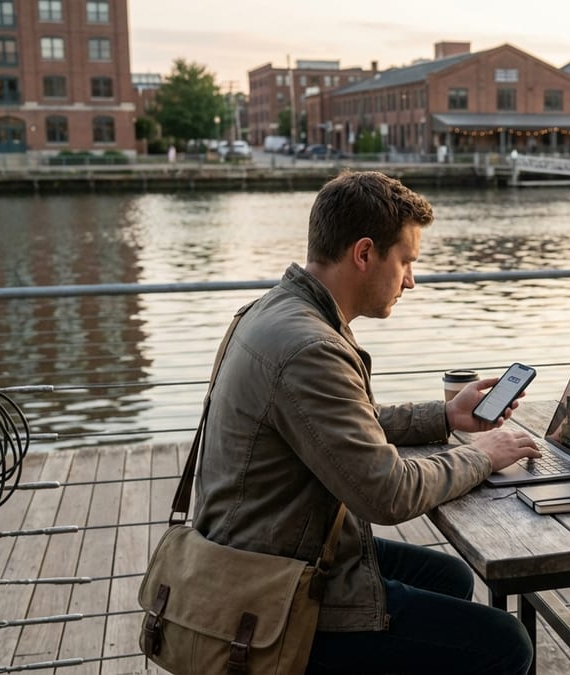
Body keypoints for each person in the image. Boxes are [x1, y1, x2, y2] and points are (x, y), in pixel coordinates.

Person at [192, 171, 540, 675]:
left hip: (268, 548)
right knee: (505, 642)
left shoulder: (274, 312)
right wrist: (482, 456)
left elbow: (337, 423)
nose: (411, 281)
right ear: (363, 254)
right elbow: (386, 494)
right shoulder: (310, 347)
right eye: (406, 262)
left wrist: (442, 416)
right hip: (274, 592)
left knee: (447, 577)